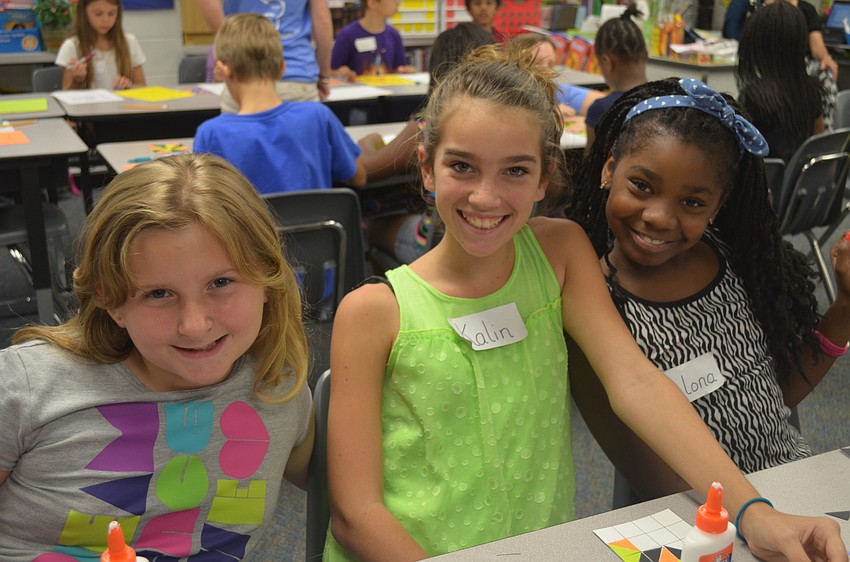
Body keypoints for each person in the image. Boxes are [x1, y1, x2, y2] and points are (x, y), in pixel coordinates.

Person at [323, 45, 847, 561]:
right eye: (462, 166)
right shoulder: (373, 311)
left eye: (514, 171)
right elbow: (356, 516)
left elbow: (637, 382)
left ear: (545, 177)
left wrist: (754, 511)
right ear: (428, 168)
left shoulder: (560, 252)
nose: (485, 197)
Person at [0, 153, 314, 561]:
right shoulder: (28, 386)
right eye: (158, 294)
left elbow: (346, 492)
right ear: (111, 301)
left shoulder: (278, 387)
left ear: (267, 282)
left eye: (221, 282)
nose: (194, 325)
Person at [563, 77, 850, 501]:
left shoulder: (728, 261)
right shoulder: (595, 306)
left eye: (693, 203)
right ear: (609, 169)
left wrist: (844, 307)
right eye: (642, 185)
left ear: (719, 205)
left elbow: (777, 397)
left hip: (788, 489)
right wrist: (755, 519)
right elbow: (652, 477)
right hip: (704, 521)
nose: (659, 217)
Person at [357, 21, 496, 264]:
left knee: (372, 224)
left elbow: (366, 169)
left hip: (434, 244)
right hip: (492, 239)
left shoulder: (429, 124)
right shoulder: (506, 122)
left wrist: (370, 140)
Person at [194, 14, 366, 195]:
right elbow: (358, 177)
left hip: (250, 225)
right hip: (315, 223)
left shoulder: (211, 134)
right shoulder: (318, 116)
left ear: (223, 71)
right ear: (282, 68)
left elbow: (202, 204)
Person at [196, 0, 333, 111]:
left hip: (242, 78)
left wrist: (232, 48)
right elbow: (322, 19)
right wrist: (324, 74)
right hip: (298, 74)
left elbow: (208, 3)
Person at [737, 0, 824, 162]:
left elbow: (737, 155)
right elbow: (820, 145)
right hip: (797, 185)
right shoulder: (812, 92)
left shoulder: (752, 97)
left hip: (762, 185)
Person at [584, 3, 648, 151]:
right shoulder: (667, 98)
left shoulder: (602, 109)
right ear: (645, 54)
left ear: (607, 62)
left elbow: (590, 169)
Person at [766, 0, 838, 129]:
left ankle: (826, 132)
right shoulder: (763, 8)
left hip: (800, 63)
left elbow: (817, 46)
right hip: (771, 63)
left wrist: (826, 58)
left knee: (825, 77)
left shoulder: (806, 9)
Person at [511, 32, 605, 119]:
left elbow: (609, 104)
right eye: (537, 63)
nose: (548, 71)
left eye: (551, 65)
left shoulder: (552, 90)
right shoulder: (501, 92)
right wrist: (547, 114)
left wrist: (588, 121)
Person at [55, 0, 146, 90]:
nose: (106, 20)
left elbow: (142, 87)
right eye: (98, 14)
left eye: (111, 14)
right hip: (88, 104)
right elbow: (66, 95)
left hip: (121, 104)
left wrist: (128, 86)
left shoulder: (129, 42)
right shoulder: (72, 46)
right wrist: (77, 80)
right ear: (84, 13)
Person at [331, 0, 417, 77]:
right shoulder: (347, 34)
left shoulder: (393, 34)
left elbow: (398, 68)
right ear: (372, 3)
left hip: (388, 91)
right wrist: (340, 73)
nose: (398, 2)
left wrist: (405, 71)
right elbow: (331, 71)